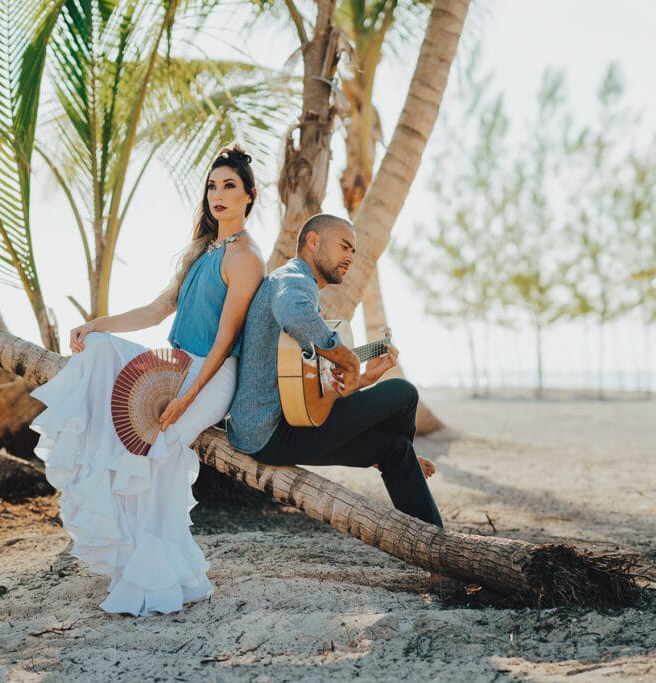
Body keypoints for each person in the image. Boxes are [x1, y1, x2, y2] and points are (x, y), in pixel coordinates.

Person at [30, 145, 264, 616]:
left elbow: (225, 341)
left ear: (249, 196)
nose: (218, 195)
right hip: (175, 366)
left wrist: (187, 397)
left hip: (212, 375)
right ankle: (138, 563)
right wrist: (97, 323)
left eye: (229, 186)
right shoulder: (203, 250)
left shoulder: (246, 258)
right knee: (100, 354)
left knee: (161, 451)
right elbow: (158, 310)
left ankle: (161, 577)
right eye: (212, 186)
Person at [227, 213, 443, 547]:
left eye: (354, 252)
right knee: (403, 392)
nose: (351, 258)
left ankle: (432, 549)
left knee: (395, 449)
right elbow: (295, 313)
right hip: (272, 431)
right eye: (344, 246)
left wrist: (360, 378)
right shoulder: (295, 278)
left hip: (284, 424)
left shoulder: (294, 283)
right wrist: (345, 358)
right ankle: (415, 487)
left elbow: (304, 391)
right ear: (312, 241)